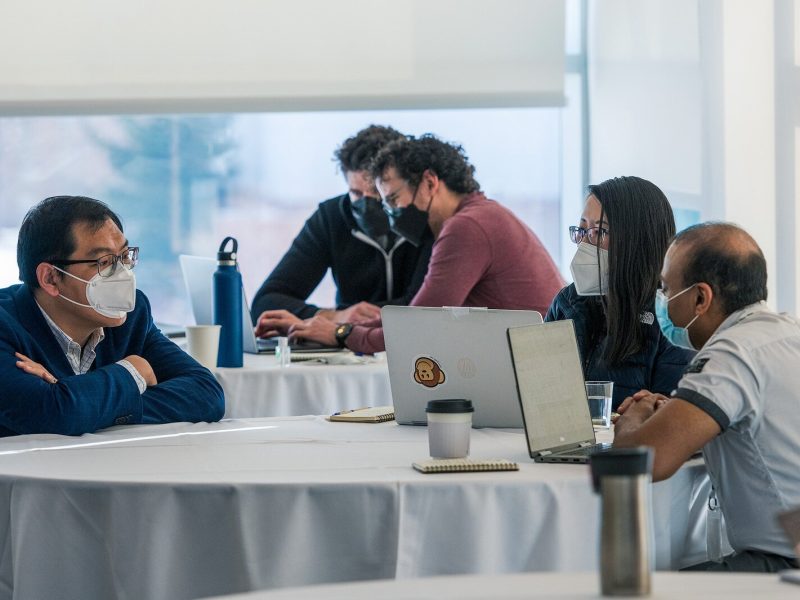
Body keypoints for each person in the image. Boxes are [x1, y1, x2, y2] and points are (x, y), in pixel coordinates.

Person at [259, 134, 564, 353]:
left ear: (430, 183)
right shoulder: (481, 215)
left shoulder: (465, 227)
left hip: (535, 365)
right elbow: (419, 316)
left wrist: (341, 332)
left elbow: (418, 327)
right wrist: (334, 323)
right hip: (532, 357)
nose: (389, 215)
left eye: (390, 200)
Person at [613, 222, 800, 572]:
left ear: (701, 297)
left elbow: (641, 464)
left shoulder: (731, 354)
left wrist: (635, 414)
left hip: (783, 564)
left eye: (666, 289)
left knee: (628, 588)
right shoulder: (787, 332)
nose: (662, 301)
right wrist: (679, 415)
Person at [0, 195, 224, 436]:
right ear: (50, 278)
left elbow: (207, 395)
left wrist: (77, 402)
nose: (123, 273)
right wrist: (133, 371)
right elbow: (52, 414)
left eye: (125, 256)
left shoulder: (133, 316)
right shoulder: (5, 326)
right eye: (104, 262)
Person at [251, 125, 433, 330]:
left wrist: (362, 322)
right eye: (356, 192)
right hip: (348, 348)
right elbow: (266, 302)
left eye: (376, 191)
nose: (367, 202)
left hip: (418, 343)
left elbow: (425, 307)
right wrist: (336, 316)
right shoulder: (331, 218)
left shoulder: (428, 219)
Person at [545, 176, 694, 410]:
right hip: (570, 442)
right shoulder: (567, 303)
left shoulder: (671, 316)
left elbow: (671, 416)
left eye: (600, 232)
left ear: (636, 241)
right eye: (582, 230)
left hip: (632, 444)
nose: (585, 243)